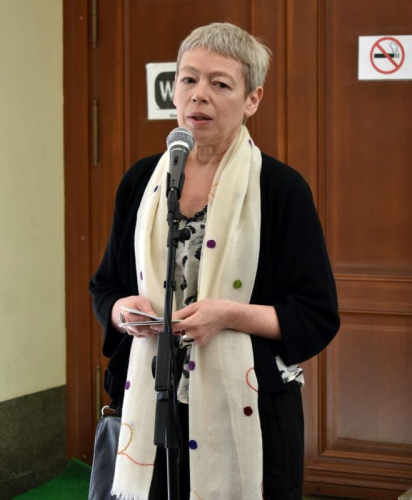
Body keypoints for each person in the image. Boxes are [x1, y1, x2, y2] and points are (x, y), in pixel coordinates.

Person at [89, 22, 340, 500]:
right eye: (188, 79)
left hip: (252, 405)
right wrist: (122, 312)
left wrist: (227, 315)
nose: (198, 94)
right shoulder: (142, 181)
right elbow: (106, 287)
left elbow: (316, 314)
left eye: (220, 84)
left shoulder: (281, 189)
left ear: (252, 100)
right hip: (150, 400)